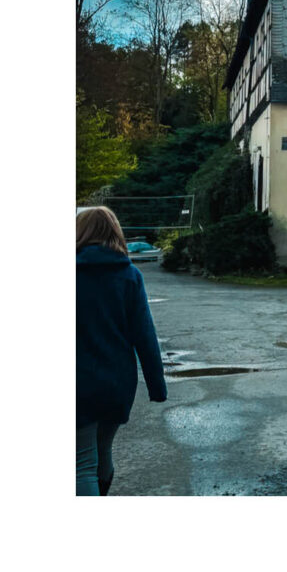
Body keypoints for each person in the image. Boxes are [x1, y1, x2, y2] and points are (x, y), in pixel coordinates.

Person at [76, 207, 167, 495]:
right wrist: (157, 386)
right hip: (117, 382)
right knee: (103, 452)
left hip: (77, 381)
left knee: (81, 463)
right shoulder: (129, 275)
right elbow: (145, 335)